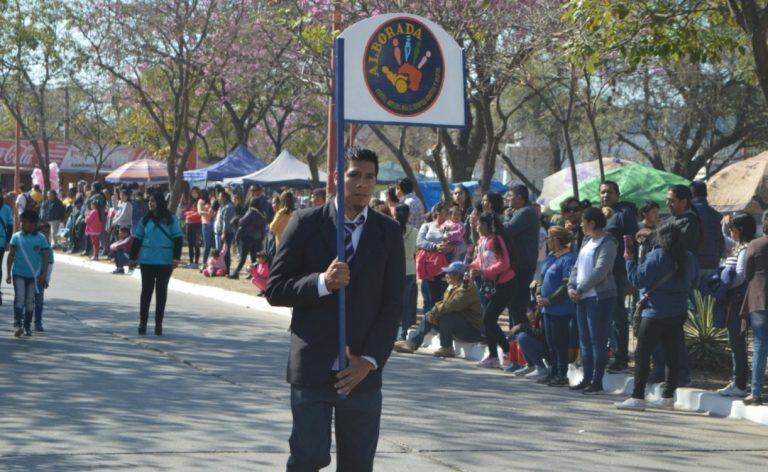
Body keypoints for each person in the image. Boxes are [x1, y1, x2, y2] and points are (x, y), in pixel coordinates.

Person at [266, 147, 404, 471]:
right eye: (354, 174)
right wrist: (321, 283)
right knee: (308, 458)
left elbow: (393, 303)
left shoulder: (388, 232)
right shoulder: (305, 222)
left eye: (370, 177)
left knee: (357, 464)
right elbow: (275, 289)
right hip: (312, 367)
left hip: (361, 375)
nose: (362, 183)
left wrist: (369, 361)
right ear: (338, 177)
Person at [615, 222, 699, 411]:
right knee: (672, 354)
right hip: (678, 311)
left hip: (655, 312)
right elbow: (694, 282)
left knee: (643, 354)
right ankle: (668, 397)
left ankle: (637, 396)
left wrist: (629, 260)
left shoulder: (658, 255)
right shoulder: (689, 258)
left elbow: (638, 279)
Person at [568, 207, 618, 394]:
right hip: (581, 297)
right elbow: (577, 266)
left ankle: (597, 380)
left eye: (583, 221)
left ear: (592, 223)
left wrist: (581, 289)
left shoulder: (608, 242)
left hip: (598, 298)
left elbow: (601, 269)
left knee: (598, 341)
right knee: (585, 341)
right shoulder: (587, 241)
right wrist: (571, 287)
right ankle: (586, 378)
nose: (580, 224)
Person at [394, 261, 483, 357]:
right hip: (457, 325)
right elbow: (445, 304)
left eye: (449, 273)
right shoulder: (453, 285)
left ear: (457, 275)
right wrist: (434, 313)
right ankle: (412, 343)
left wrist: (435, 310)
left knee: (446, 316)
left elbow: (452, 305)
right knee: (429, 315)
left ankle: (447, 348)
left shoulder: (466, 288)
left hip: (471, 331)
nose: (446, 275)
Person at [128, 192, 183, 336]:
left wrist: (176, 258)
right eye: (149, 201)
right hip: (147, 260)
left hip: (165, 261)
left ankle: (159, 324)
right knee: (146, 292)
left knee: (161, 292)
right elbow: (137, 239)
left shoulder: (171, 219)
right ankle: (142, 323)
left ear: (159, 201)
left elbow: (178, 239)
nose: (150, 203)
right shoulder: (145, 220)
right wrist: (132, 258)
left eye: (153, 200)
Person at [599, 180, 638, 373]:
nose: (605, 196)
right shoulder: (602, 215)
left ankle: (621, 357)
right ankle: (608, 353)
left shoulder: (624, 214)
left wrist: (631, 272)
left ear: (617, 194)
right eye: (603, 192)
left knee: (618, 316)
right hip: (600, 272)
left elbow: (631, 243)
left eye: (609, 192)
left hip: (618, 272)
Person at [469, 212, 516, 369]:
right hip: (490, 285)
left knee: (488, 318)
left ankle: (507, 351)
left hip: (504, 284)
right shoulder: (482, 240)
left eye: (480, 224)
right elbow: (480, 259)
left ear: (487, 225)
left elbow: (504, 264)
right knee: (487, 320)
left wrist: (482, 271)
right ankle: (493, 356)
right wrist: (471, 266)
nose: (477, 226)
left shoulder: (497, 240)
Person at [715, 213, 755, 398]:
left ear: (740, 230)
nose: (730, 231)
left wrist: (723, 284)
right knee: (735, 341)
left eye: (732, 228)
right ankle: (737, 381)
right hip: (735, 299)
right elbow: (725, 240)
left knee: (737, 342)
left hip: (737, 300)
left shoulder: (745, 249)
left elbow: (740, 275)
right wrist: (724, 226)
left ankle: (740, 383)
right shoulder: (739, 246)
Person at [533, 226, 577, 386]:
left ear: (557, 239)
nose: (547, 241)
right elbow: (541, 278)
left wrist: (550, 299)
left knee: (560, 343)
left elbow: (566, 285)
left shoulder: (569, 259)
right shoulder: (551, 257)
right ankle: (553, 371)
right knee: (549, 342)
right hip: (546, 308)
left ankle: (561, 373)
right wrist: (538, 293)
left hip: (560, 309)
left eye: (549, 238)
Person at [738, 210, 768, 405]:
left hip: (759, 299)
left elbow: (746, 274)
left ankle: (756, 392)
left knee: (759, 345)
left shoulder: (755, 245)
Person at [5, 210, 50, 337]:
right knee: (19, 297)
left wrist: (44, 275)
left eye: (24, 222)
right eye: (21, 222)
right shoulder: (16, 237)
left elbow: (46, 257)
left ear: (33, 224)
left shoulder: (41, 239)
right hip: (18, 273)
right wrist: (8, 273)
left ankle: (27, 326)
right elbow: (11, 256)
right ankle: (17, 324)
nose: (21, 224)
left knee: (30, 300)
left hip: (34, 276)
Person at [503, 185, 540, 327]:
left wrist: (506, 217)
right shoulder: (522, 211)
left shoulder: (526, 212)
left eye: (510, 196)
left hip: (522, 265)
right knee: (514, 303)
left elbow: (508, 230)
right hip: (520, 264)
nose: (507, 199)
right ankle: (515, 338)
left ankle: (521, 337)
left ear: (520, 197)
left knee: (517, 303)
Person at [416, 201, 453, 313]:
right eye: (445, 209)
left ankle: (437, 324)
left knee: (439, 297)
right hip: (427, 266)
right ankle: (428, 323)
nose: (448, 212)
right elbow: (419, 242)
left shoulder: (451, 227)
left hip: (443, 267)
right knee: (428, 297)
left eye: (449, 210)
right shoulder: (427, 226)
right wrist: (435, 246)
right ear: (438, 212)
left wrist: (451, 248)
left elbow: (458, 243)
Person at [690, 180, 724, 279]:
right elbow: (721, 241)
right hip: (713, 263)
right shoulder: (716, 215)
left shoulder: (689, 213)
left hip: (694, 264)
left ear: (691, 194)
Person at [230, 196, 269, 279]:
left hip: (248, 237)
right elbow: (263, 228)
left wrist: (239, 218)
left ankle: (236, 272)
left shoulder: (251, 211)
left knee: (243, 257)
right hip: (257, 238)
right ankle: (253, 274)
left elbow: (242, 221)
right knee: (254, 257)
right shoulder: (262, 214)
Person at [395, 203, 418, 341]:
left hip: (395, 270)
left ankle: (395, 331)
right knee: (406, 303)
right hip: (410, 270)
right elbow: (416, 250)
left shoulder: (392, 229)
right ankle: (403, 332)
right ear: (409, 215)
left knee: (395, 303)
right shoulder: (414, 231)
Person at [33, 222, 54, 332]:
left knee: (39, 300)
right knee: (27, 300)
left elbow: (50, 264)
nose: (45, 235)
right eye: (43, 232)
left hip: (41, 278)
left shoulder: (49, 249)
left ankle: (38, 322)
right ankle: (23, 321)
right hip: (29, 276)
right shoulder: (33, 244)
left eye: (47, 233)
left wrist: (46, 279)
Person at [214, 191, 235, 274]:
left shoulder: (228, 207)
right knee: (222, 251)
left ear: (224, 197)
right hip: (221, 232)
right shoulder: (223, 206)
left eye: (220, 197)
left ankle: (227, 270)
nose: (218, 198)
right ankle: (222, 268)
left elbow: (226, 222)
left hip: (226, 233)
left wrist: (224, 233)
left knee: (226, 252)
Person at [0, 189, 14, 306]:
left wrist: (8, 242)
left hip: (1, 241)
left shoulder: (7, 209)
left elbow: (10, 227)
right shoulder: (7, 209)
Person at [183, 187, 202, 269]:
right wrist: (191, 214)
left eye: (196, 192)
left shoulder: (200, 202)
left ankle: (196, 262)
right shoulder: (190, 202)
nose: (194, 194)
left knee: (196, 244)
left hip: (197, 225)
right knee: (190, 245)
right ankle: (191, 262)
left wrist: (189, 214)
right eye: (193, 192)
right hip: (189, 225)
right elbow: (185, 212)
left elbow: (198, 214)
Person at [198, 189, 215, 266]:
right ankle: (204, 262)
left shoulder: (212, 200)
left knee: (214, 245)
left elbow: (215, 211)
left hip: (213, 224)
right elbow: (200, 212)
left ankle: (214, 262)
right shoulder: (201, 201)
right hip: (205, 224)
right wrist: (208, 213)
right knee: (207, 244)